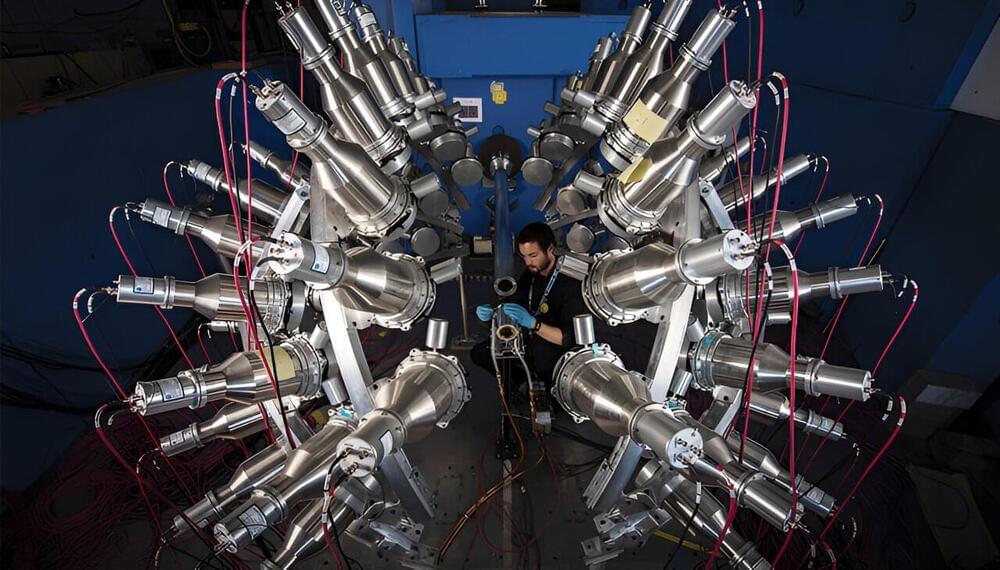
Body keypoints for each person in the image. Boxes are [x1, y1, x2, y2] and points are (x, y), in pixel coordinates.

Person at [470, 222, 588, 389]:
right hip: (531, 341)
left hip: (557, 350)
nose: (527, 262)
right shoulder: (533, 273)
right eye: (524, 256)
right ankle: (520, 385)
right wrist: (493, 314)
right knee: (481, 353)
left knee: (544, 365)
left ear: (550, 249)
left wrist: (534, 324)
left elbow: (571, 339)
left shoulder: (571, 282)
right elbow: (514, 301)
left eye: (533, 255)